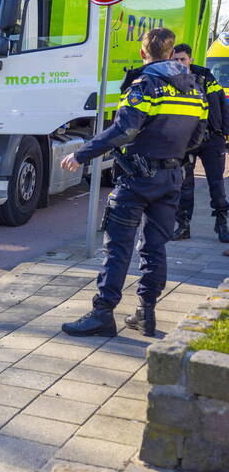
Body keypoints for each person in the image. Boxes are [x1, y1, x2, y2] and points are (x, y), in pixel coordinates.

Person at [60, 28, 206, 337]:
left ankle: (103, 313)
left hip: (138, 177)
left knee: (118, 246)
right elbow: (196, 137)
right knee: (155, 247)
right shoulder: (195, 88)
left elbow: (124, 130)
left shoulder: (146, 85)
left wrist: (83, 154)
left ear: (144, 53)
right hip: (172, 177)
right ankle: (145, 314)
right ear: (170, 53)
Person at [168, 44, 229, 242]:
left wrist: (224, 133)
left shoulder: (205, 76)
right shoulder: (169, 81)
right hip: (186, 141)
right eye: (175, 60)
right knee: (185, 186)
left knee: (216, 184)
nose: (179, 63)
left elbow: (222, 103)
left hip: (212, 139)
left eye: (182, 59)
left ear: (191, 59)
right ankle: (183, 226)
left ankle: (222, 224)